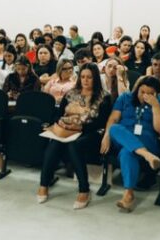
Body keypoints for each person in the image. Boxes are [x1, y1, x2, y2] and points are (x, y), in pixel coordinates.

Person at [38, 63, 111, 209]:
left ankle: (84, 189)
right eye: (83, 77)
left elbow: (101, 121)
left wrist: (80, 127)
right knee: (55, 143)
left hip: (91, 132)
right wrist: (60, 123)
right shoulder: (71, 93)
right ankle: (43, 184)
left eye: (89, 77)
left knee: (74, 145)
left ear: (95, 78)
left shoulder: (104, 96)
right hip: (68, 130)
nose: (85, 80)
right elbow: (58, 114)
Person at [100, 76, 160, 212]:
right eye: (142, 92)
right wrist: (106, 136)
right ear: (137, 89)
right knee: (114, 128)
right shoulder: (125, 98)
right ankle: (147, 156)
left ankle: (128, 194)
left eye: (150, 93)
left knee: (127, 152)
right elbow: (113, 119)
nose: (145, 96)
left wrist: (155, 106)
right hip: (123, 136)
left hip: (147, 140)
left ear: (156, 93)